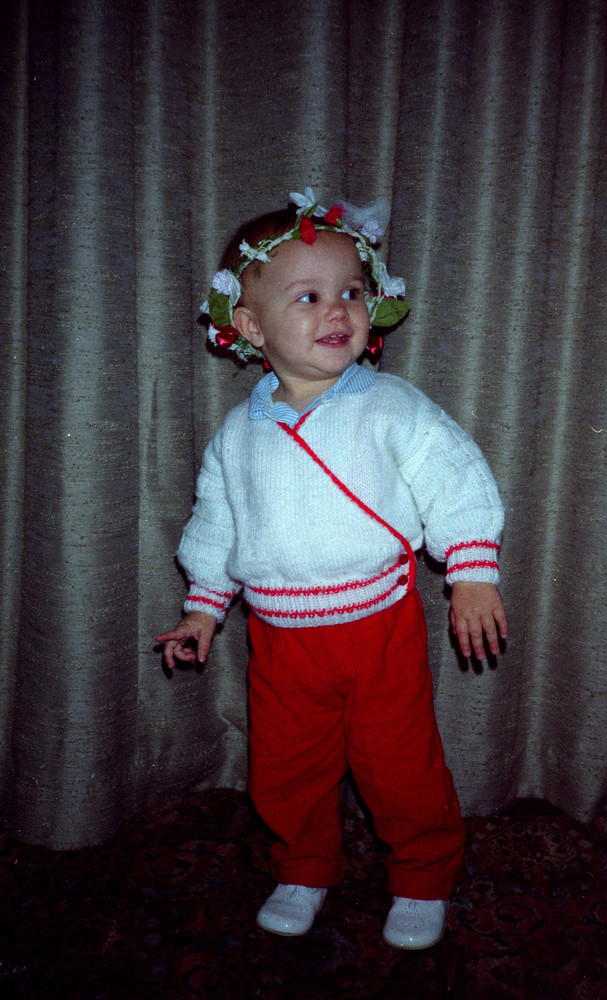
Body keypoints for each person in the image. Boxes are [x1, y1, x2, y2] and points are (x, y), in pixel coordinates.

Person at [156, 187, 508, 950]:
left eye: (351, 291)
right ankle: (304, 865)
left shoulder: (391, 406)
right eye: (308, 297)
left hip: (378, 626)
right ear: (251, 327)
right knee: (286, 765)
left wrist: (473, 570)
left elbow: (455, 476)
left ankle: (423, 874)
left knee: (399, 761)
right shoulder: (237, 435)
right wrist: (203, 607)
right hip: (282, 638)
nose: (338, 310)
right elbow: (216, 523)